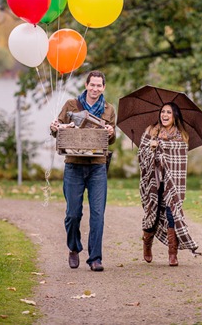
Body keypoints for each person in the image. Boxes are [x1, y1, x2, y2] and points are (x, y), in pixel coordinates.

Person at [50, 71, 116, 272]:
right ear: (86, 85)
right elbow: (57, 129)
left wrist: (112, 133)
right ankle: (73, 247)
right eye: (92, 85)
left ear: (103, 87)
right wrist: (54, 127)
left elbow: (110, 139)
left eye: (99, 85)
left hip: (97, 166)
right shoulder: (71, 105)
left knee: (98, 214)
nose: (95, 89)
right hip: (74, 165)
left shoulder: (109, 109)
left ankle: (95, 258)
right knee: (73, 214)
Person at [138, 102, 201, 267]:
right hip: (154, 181)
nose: (164, 115)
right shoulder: (150, 132)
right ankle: (147, 244)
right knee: (152, 214)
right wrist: (151, 148)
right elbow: (141, 155)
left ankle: (173, 253)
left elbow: (180, 157)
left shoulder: (181, 136)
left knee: (172, 213)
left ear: (175, 116)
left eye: (169, 112)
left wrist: (163, 145)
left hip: (172, 183)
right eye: (163, 112)